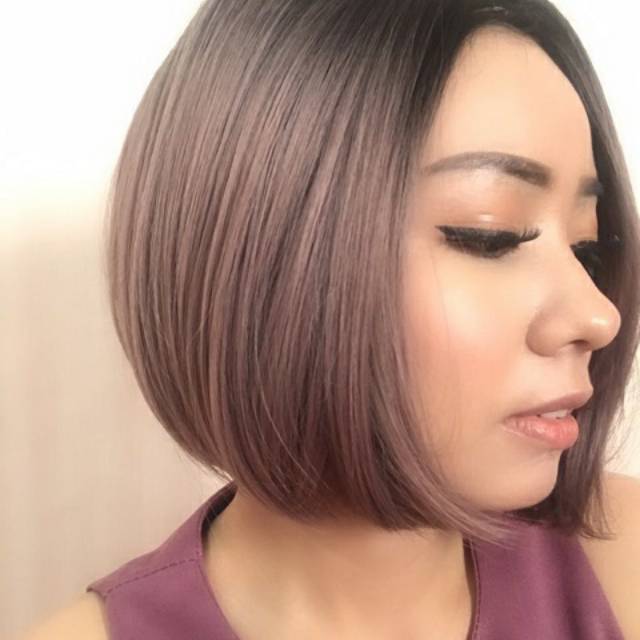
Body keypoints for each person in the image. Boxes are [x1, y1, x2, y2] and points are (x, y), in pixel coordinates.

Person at [23, 0, 640, 638]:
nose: (600, 316)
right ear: (269, 259)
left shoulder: (622, 561)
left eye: (589, 248)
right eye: (491, 234)